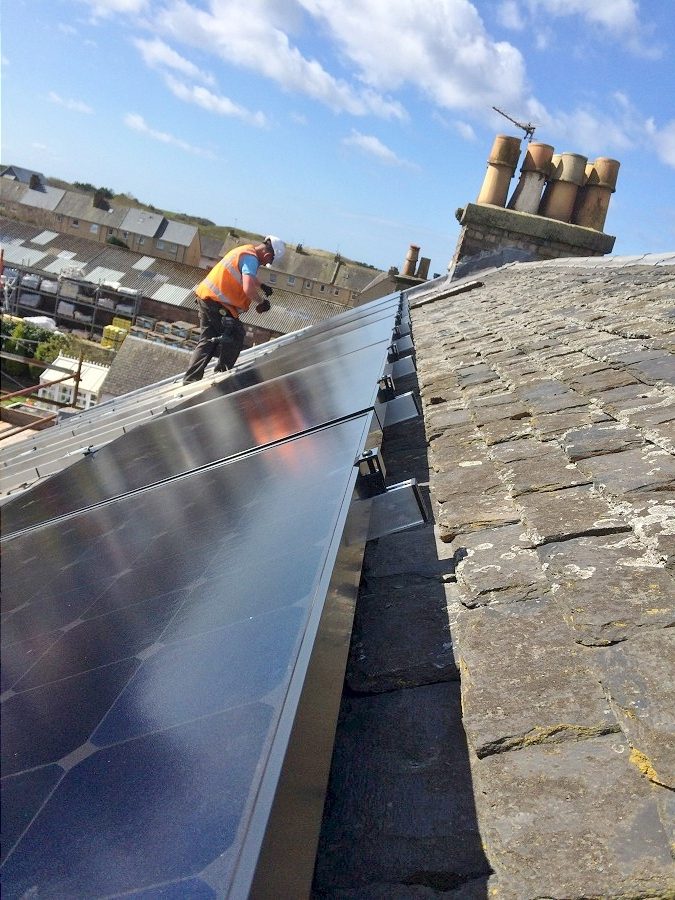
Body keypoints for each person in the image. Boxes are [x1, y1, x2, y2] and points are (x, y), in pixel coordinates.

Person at [182, 235, 285, 383]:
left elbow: (246, 275)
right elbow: (247, 287)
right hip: (216, 303)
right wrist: (261, 302)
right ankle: (220, 375)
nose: (265, 263)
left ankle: (193, 378)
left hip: (210, 299)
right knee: (234, 335)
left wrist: (261, 285)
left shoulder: (245, 251)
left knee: (211, 339)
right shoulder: (252, 259)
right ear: (268, 255)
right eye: (267, 261)